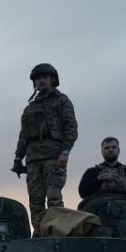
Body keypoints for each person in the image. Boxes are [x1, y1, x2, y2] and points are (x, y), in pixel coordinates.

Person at [12, 63, 78, 235]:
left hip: (53, 156)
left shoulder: (62, 101)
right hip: (33, 159)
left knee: (54, 198)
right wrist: (18, 158)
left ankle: (57, 234)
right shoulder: (30, 108)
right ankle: (40, 235)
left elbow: (71, 128)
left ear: (53, 79)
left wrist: (65, 152)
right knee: (35, 201)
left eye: (45, 77)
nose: (41, 81)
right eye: (38, 78)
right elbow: (23, 135)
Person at [77, 137, 126, 238]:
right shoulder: (92, 172)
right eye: (107, 148)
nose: (110, 149)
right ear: (102, 151)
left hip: (121, 217)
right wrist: (99, 179)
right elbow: (82, 192)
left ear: (118, 150)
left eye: (113, 147)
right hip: (97, 218)